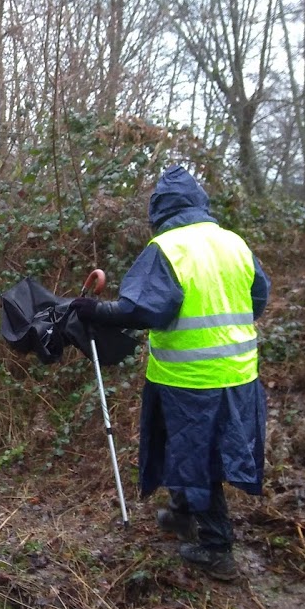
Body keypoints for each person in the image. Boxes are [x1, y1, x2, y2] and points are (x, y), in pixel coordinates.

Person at [70, 165, 270, 581]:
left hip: (191, 379)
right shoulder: (233, 242)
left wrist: (98, 311)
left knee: (199, 458)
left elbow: (143, 309)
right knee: (193, 450)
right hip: (239, 374)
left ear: (158, 209)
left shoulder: (167, 247)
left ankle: (217, 548)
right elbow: (259, 296)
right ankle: (182, 514)